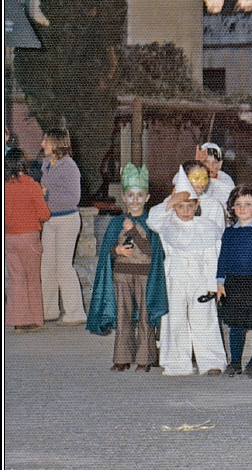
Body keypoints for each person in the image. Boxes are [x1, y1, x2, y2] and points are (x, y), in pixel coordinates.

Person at [86, 165, 166, 367]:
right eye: (130, 195)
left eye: (140, 195)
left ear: (147, 198)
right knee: (124, 316)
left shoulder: (151, 222)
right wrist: (117, 251)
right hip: (121, 276)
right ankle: (122, 359)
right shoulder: (116, 223)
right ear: (123, 197)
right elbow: (107, 252)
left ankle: (146, 359)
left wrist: (134, 231)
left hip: (145, 276)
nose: (135, 200)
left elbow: (152, 251)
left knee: (145, 317)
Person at [148, 186, 227, 375]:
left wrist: (212, 283)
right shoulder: (167, 224)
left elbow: (212, 257)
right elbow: (152, 219)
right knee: (175, 319)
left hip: (200, 278)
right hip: (175, 277)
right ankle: (176, 362)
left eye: (189, 206)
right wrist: (172, 200)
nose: (185, 211)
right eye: (180, 207)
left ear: (196, 205)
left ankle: (211, 361)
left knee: (204, 318)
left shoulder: (207, 226)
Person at [216, 186, 252, 377]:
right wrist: (220, 281)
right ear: (232, 207)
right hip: (234, 282)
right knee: (235, 325)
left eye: (248, 204)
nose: (242, 208)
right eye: (238, 204)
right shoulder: (229, 233)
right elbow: (223, 257)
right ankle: (235, 362)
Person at [39, 128, 85, 323]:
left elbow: (73, 198)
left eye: (46, 141)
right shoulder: (46, 164)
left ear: (57, 144)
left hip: (67, 220)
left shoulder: (69, 166)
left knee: (63, 267)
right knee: (47, 266)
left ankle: (75, 313)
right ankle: (49, 310)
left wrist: (46, 195)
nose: (42, 144)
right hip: (50, 221)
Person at [6, 147, 52, 333]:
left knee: (15, 278)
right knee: (32, 278)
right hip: (29, 236)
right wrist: (42, 195)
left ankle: (18, 321)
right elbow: (44, 214)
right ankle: (33, 320)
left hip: (9, 237)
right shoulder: (32, 185)